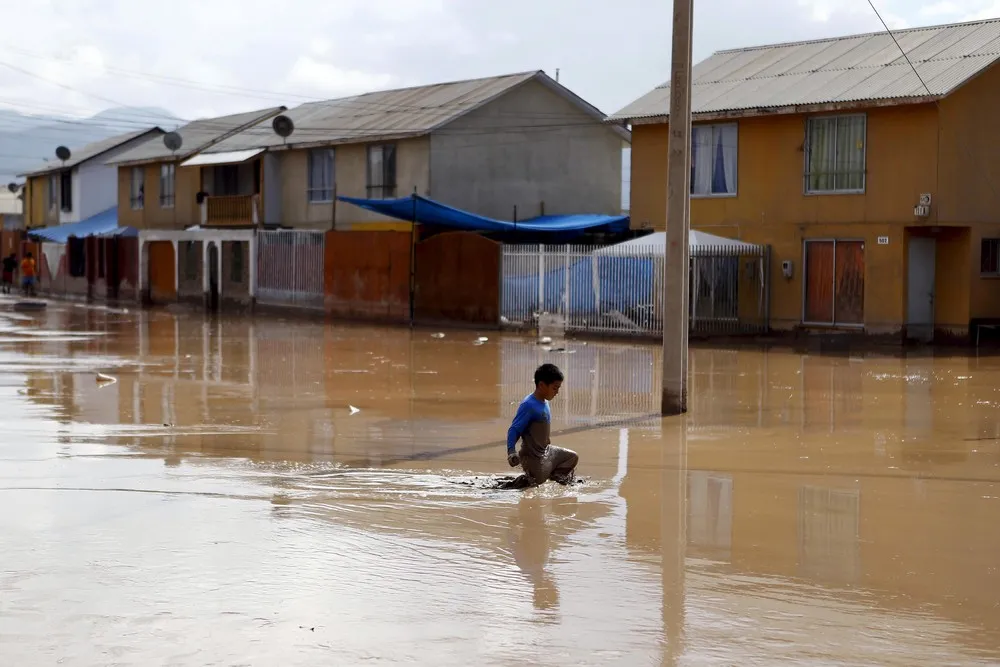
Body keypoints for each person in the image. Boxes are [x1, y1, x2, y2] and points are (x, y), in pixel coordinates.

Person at [505, 363, 579, 488]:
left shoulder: (544, 401)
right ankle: (528, 479)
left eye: (558, 388)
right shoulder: (529, 405)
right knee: (538, 480)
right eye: (555, 388)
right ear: (541, 385)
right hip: (534, 457)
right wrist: (511, 452)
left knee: (572, 457)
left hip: (546, 450)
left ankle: (555, 476)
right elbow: (514, 429)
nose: (557, 392)